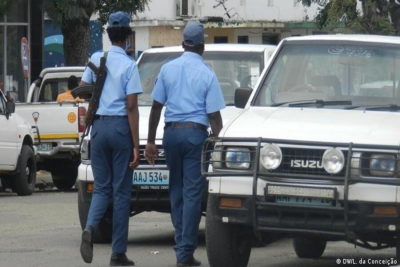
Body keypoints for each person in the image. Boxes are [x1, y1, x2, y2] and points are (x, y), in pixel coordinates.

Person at [145, 21, 225, 267]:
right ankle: (184, 252)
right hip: (194, 137)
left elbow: (156, 107)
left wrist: (150, 141)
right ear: (202, 46)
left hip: (170, 136)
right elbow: (213, 116)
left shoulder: (167, 69)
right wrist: (221, 142)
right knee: (192, 194)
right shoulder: (207, 74)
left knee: (176, 190)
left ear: (183, 44)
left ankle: (182, 246)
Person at [79, 11, 142, 266]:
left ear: (108, 35)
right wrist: (137, 145)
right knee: (121, 192)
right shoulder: (129, 65)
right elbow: (131, 107)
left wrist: (98, 91)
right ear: (127, 37)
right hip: (119, 131)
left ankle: (91, 228)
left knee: (102, 188)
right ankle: (118, 253)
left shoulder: (97, 58)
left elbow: (83, 91)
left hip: (98, 129)